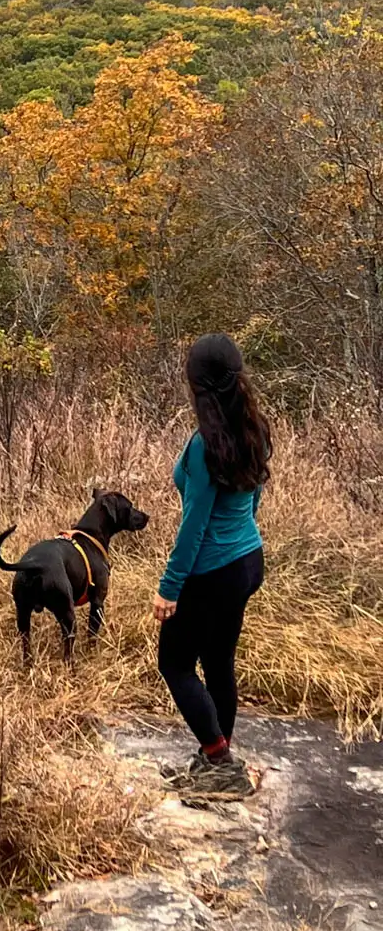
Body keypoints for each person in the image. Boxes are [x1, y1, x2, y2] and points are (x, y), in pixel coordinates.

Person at [153, 333, 270, 798]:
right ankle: (216, 756)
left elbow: (194, 526)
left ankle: (220, 763)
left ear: (197, 384)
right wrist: (237, 539)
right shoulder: (254, 427)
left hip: (213, 571)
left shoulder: (205, 444)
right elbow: (254, 493)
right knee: (219, 659)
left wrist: (170, 586)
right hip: (247, 560)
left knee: (175, 663)